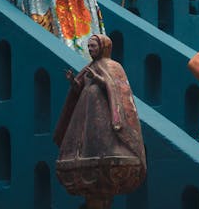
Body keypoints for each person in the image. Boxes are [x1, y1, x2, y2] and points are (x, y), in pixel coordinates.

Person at [53, 34, 146, 209]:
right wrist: (74, 83)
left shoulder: (113, 66)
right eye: (88, 46)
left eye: (93, 46)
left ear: (103, 47)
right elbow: (81, 88)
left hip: (104, 120)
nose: (90, 49)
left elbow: (119, 90)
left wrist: (101, 80)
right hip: (87, 118)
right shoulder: (89, 67)